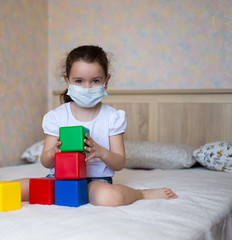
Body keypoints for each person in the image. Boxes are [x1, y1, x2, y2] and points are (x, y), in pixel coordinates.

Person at [19, 45, 177, 206]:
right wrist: (53, 152)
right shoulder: (57, 116)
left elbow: (119, 162)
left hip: (96, 181)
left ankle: (140, 194)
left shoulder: (112, 117)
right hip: (60, 179)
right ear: (67, 81)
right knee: (17, 188)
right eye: (79, 81)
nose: (87, 88)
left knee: (110, 197)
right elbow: (46, 162)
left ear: (106, 81)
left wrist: (101, 152)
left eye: (95, 81)